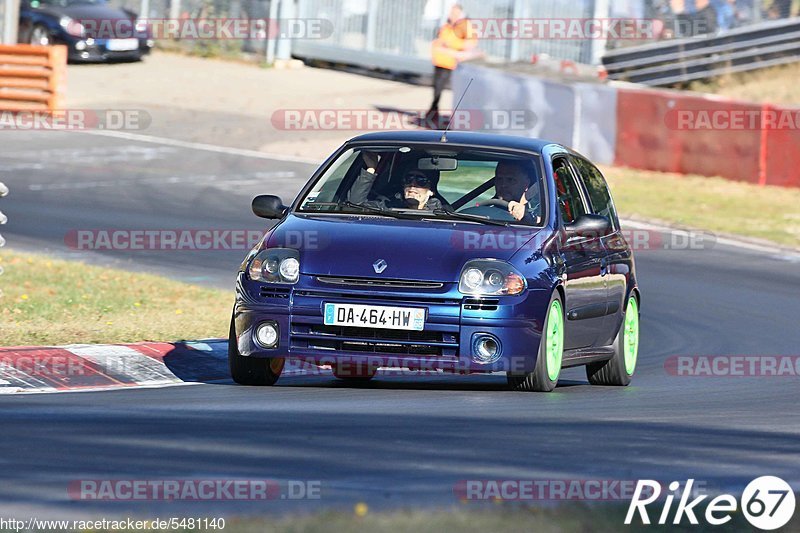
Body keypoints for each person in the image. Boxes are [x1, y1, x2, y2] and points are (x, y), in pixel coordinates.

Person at [426, 4, 479, 122]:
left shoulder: (465, 26)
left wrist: (450, 46)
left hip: (451, 63)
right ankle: (433, 110)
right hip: (439, 61)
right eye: (451, 12)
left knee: (452, 91)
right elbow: (440, 39)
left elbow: (470, 44)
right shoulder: (447, 26)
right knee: (436, 87)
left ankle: (441, 114)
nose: (452, 15)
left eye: (455, 13)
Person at [348, 152, 444, 211]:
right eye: (409, 178)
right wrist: (371, 168)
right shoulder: (387, 206)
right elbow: (354, 206)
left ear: (431, 191)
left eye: (421, 181)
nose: (413, 184)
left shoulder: (443, 217)